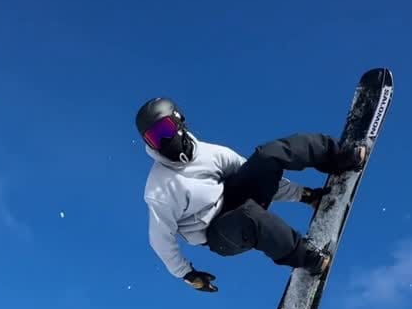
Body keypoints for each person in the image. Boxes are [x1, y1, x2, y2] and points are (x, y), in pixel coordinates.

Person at [136, 97, 366, 293]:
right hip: (218, 235)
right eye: (154, 139)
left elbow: (259, 175)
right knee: (248, 216)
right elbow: (160, 239)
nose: (164, 141)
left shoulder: (210, 153)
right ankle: (307, 257)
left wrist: (305, 195)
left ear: (178, 120)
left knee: (268, 155)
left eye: (165, 130)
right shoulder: (159, 190)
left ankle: (338, 157)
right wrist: (187, 274)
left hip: (235, 197)